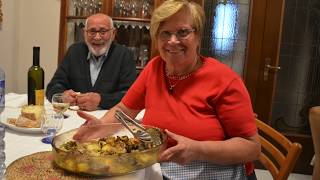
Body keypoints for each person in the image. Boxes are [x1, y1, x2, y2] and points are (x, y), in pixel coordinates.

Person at [74, 1, 261, 179]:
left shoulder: (224, 79)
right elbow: (125, 110)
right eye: (165, 33)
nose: (172, 41)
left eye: (183, 32)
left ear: (197, 36)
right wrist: (101, 127)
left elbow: (252, 148)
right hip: (161, 168)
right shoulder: (155, 68)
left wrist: (197, 149)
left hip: (210, 172)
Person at [46, 13, 136, 111]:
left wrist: (101, 100)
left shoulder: (124, 55)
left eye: (103, 31)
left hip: (108, 119)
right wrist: (62, 96)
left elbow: (130, 95)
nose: (97, 37)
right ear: (84, 33)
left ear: (113, 33)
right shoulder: (74, 52)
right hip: (74, 118)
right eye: (92, 32)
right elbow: (54, 86)